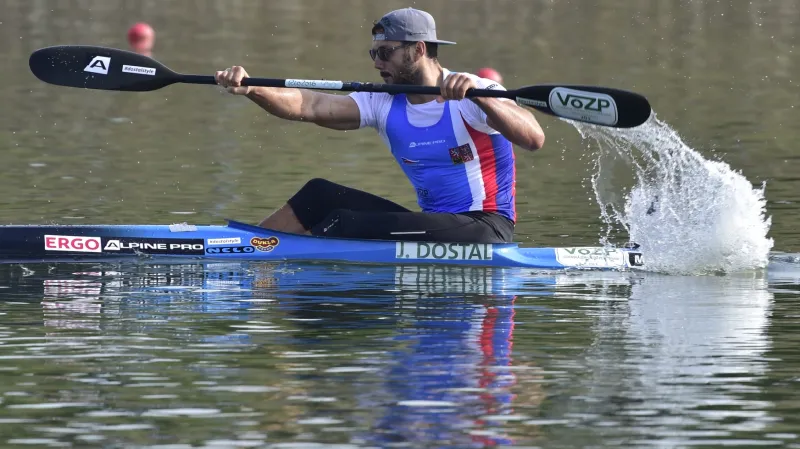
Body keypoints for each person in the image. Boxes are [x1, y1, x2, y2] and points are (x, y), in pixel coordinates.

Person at [215, 7, 544, 243]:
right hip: (435, 225)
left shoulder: (474, 92)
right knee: (320, 196)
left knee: (344, 223)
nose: (376, 63)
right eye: (373, 53)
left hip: (486, 228)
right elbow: (310, 104)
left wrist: (482, 100)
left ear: (418, 49)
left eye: (385, 53)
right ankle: (248, 248)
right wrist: (252, 88)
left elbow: (533, 137)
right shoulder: (383, 100)